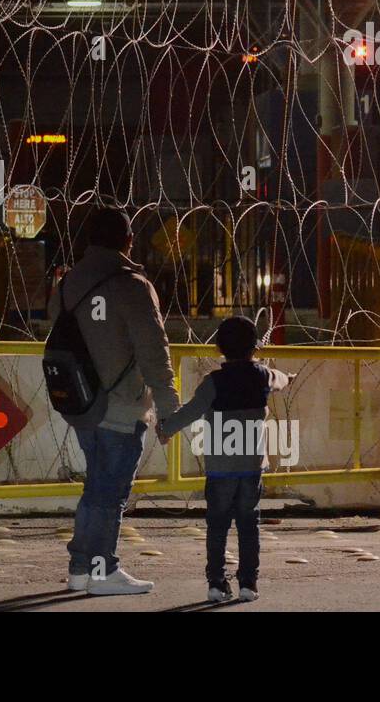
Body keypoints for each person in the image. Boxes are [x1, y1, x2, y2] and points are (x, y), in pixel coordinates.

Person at [48, 207, 179, 596]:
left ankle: (80, 567)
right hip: (122, 405)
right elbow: (154, 351)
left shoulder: (68, 282)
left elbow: (58, 328)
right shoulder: (133, 285)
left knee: (97, 486)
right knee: (111, 492)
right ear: (128, 241)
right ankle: (102, 569)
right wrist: (169, 409)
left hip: (83, 402)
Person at [157, 315, 289, 603]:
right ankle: (248, 584)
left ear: (219, 348)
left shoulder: (213, 383)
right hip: (251, 469)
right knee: (248, 525)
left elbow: (189, 411)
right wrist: (288, 377)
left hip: (219, 472)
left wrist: (165, 429)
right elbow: (281, 380)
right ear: (255, 347)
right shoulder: (263, 376)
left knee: (217, 525)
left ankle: (216, 583)